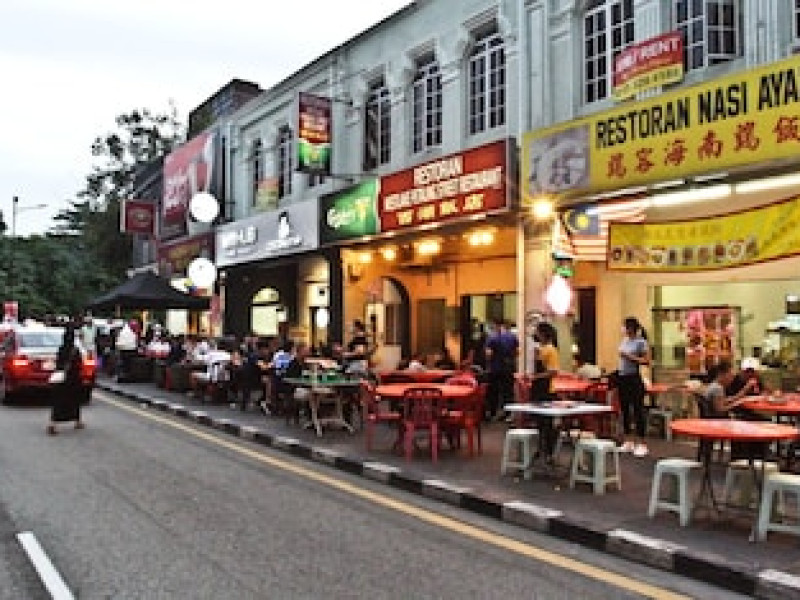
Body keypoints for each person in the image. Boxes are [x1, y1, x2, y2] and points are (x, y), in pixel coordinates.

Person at [617, 316, 651, 457]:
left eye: (625, 326)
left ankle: (642, 443)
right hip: (622, 377)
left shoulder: (641, 342)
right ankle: (628, 441)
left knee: (637, 410)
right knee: (625, 409)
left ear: (631, 328)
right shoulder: (624, 340)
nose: (623, 329)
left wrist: (629, 357)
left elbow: (646, 361)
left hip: (634, 378)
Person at [529, 322, 560, 460]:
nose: (535, 334)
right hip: (538, 388)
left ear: (542, 334)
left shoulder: (551, 350)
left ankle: (549, 451)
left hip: (546, 389)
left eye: (537, 331)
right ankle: (540, 448)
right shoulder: (540, 349)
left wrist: (536, 376)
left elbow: (553, 371)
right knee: (539, 421)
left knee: (547, 421)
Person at [47, 325, 85, 435]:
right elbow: (79, 365)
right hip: (73, 379)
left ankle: (53, 424)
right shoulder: (75, 350)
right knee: (75, 401)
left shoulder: (61, 349)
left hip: (61, 379)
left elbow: (58, 363)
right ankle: (77, 421)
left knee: (58, 402)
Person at [485, 319, 519, 421]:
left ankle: (493, 413)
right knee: (508, 392)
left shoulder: (492, 338)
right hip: (508, 368)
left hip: (495, 369)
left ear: (496, 326)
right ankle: (508, 414)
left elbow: (489, 354)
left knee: (494, 392)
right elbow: (517, 352)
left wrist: (489, 363)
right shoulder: (513, 337)